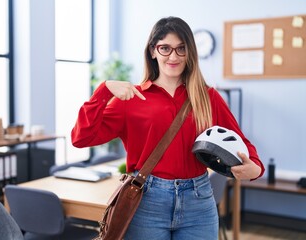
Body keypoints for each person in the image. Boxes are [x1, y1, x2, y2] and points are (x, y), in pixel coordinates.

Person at [71, 16, 264, 240]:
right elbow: (81, 138)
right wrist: (103, 90)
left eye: (181, 49)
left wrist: (256, 167)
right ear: (153, 51)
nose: (173, 56)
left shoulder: (208, 97)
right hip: (146, 202)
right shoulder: (131, 98)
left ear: (190, 52)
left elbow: (240, 141)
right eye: (165, 48)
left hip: (198, 202)